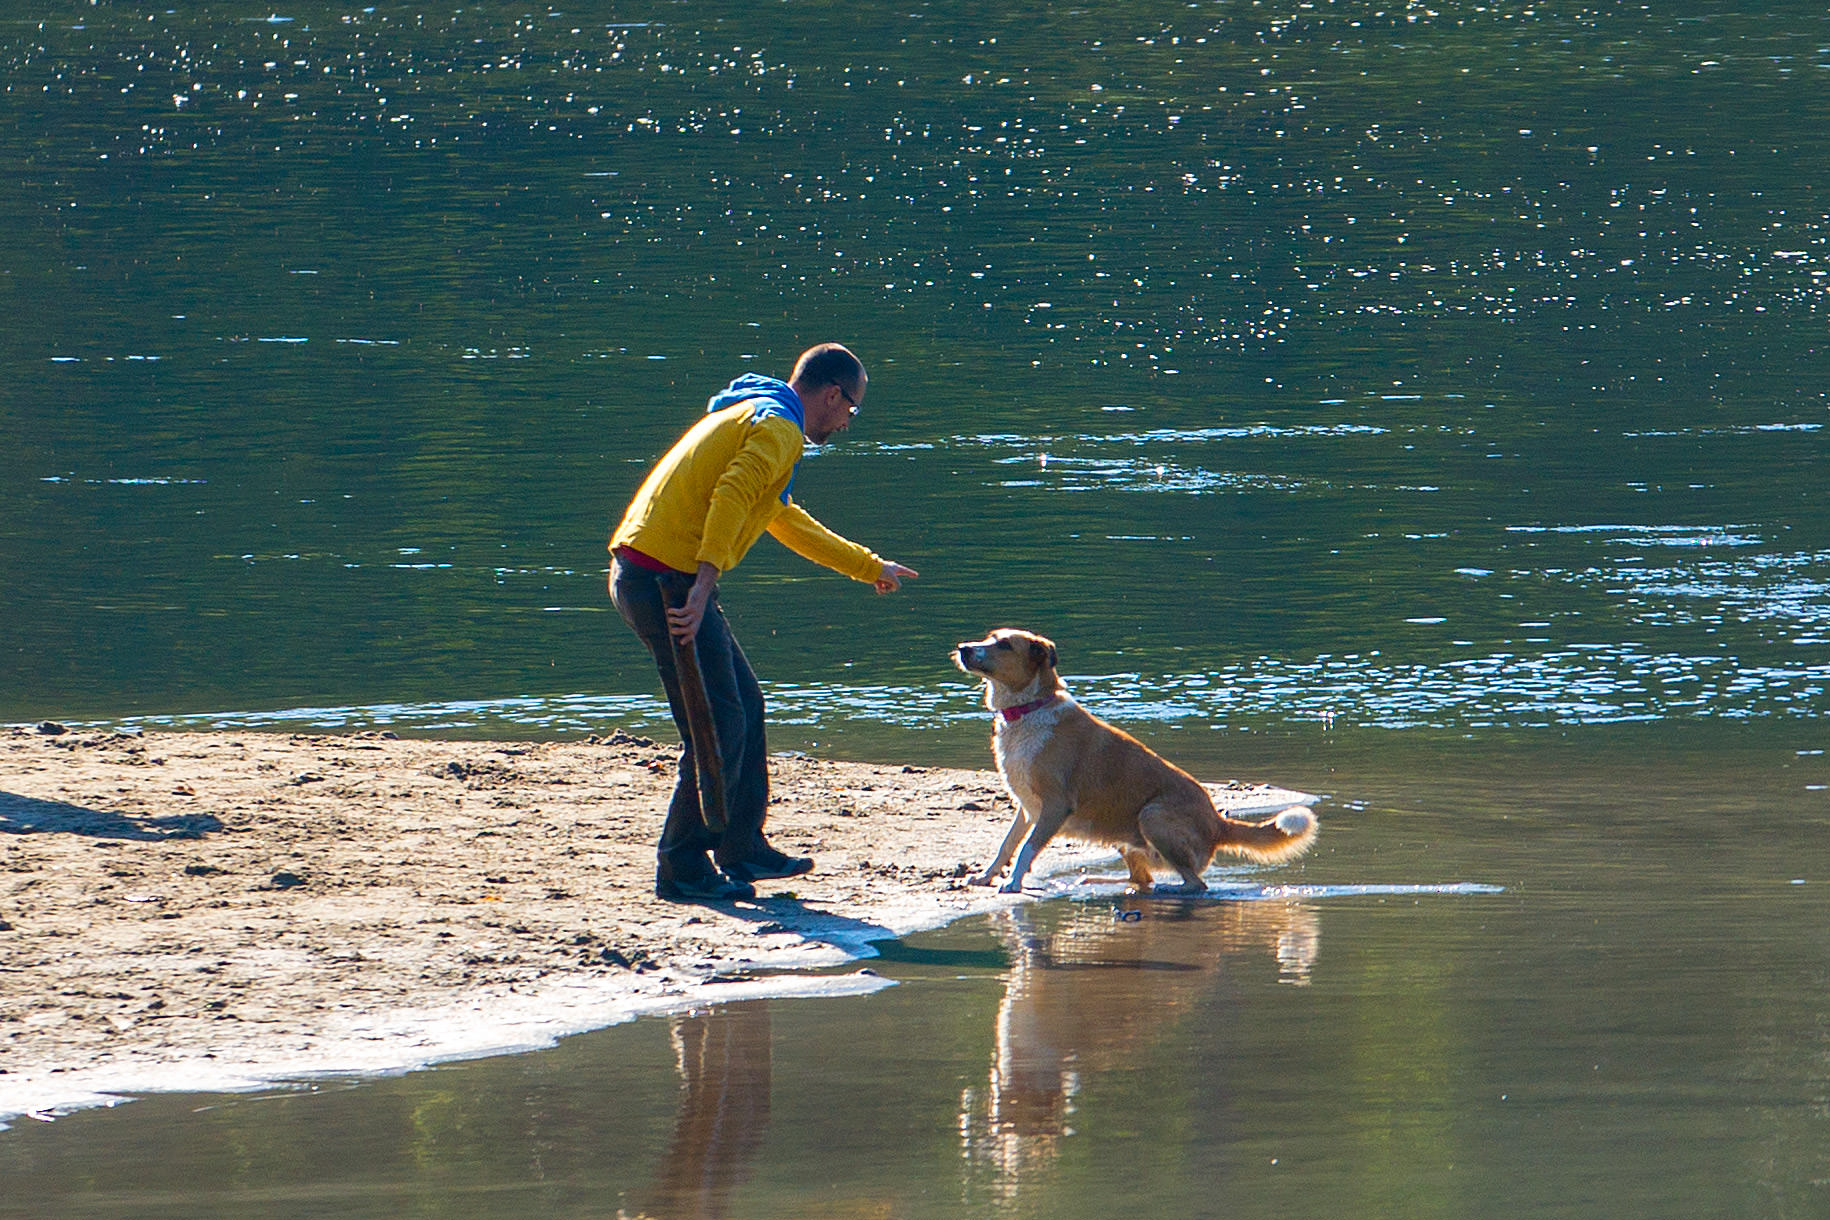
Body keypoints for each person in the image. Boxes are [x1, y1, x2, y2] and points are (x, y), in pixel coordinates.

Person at [609, 343, 918, 902]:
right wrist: (703, 588)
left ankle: (741, 847)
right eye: (852, 409)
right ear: (832, 395)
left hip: (662, 576)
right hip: (665, 583)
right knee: (713, 724)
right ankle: (681, 866)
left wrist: (868, 566)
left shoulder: (760, 415)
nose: (848, 422)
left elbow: (778, 515)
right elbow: (729, 497)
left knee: (745, 706)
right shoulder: (777, 429)